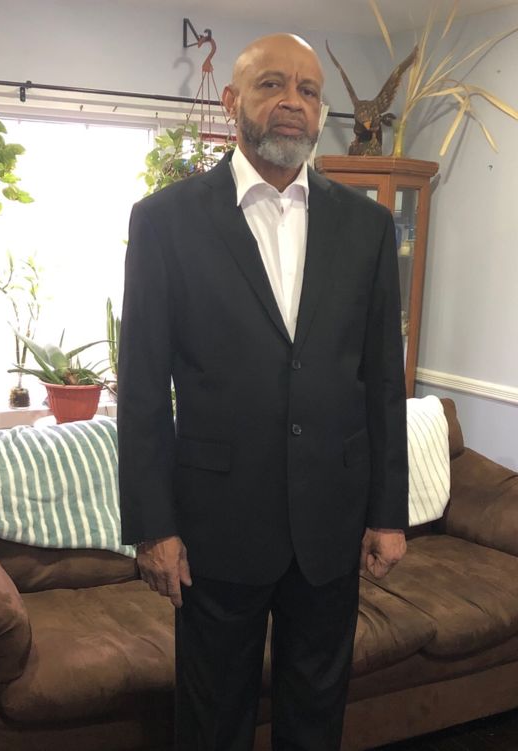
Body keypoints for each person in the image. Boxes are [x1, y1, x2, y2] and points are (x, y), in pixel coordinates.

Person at [118, 33, 408, 751]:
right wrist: (153, 526)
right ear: (232, 101)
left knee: (316, 720)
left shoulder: (368, 227)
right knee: (212, 722)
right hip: (215, 529)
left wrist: (388, 513)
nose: (292, 102)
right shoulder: (164, 221)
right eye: (272, 84)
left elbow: (382, 380)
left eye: (308, 90)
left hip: (331, 529)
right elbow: (144, 387)